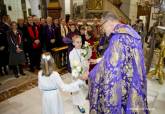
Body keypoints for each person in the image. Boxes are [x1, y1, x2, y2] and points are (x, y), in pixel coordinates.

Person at [89, 12, 149, 114]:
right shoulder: (130, 31)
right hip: (134, 80)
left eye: (102, 26)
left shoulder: (118, 38)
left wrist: (92, 74)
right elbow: (113, 56)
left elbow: (111, 67)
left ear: (109, 22)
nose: (103, 30)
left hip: (124, 84)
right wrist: (99, 60)